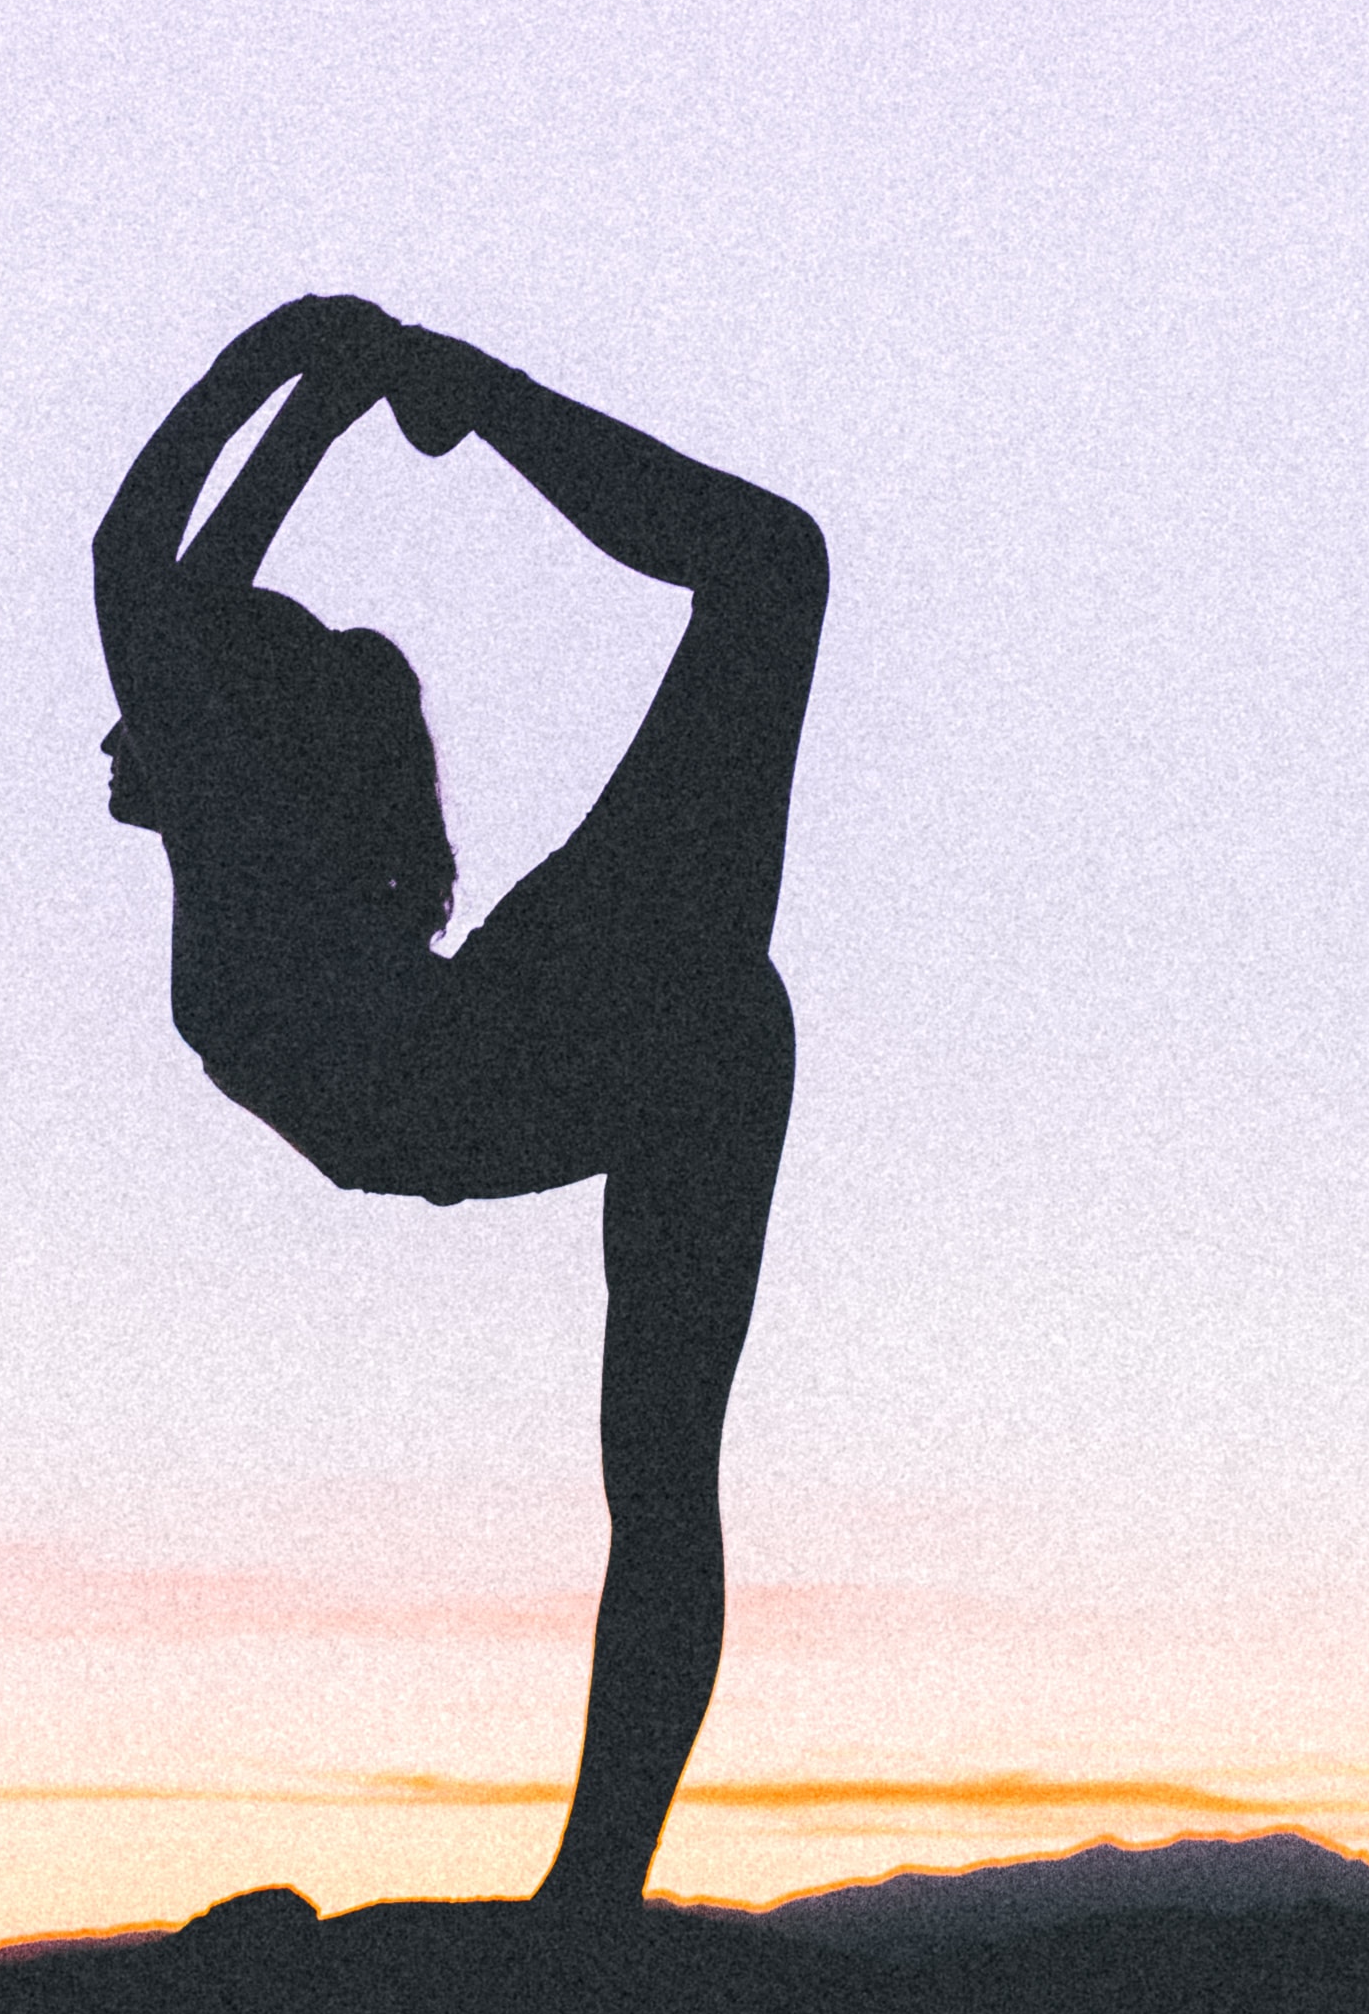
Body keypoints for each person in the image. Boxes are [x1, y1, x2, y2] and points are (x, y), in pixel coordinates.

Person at [93, 293, 824, 1909]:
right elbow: (181, 596)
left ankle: (595, 1896)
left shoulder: (240, 841)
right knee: (659, 1470)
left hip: (528, 1048)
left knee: (772, 565)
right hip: (572, 1043)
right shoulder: (252, 848)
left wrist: (295, 364)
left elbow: (139, 572)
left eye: (143, 714)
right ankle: (596, 1889)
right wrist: (334, 383)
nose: (106, 732)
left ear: (220, 738)